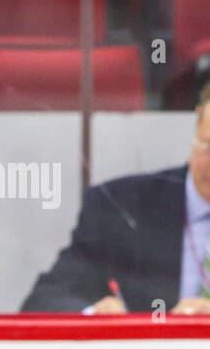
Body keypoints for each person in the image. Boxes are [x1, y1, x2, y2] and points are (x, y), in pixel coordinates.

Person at [22, 82, 210, 315]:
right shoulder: (121, 205)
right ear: (194, 137)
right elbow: (45, 301)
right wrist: (96, 315)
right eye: (208, 147)